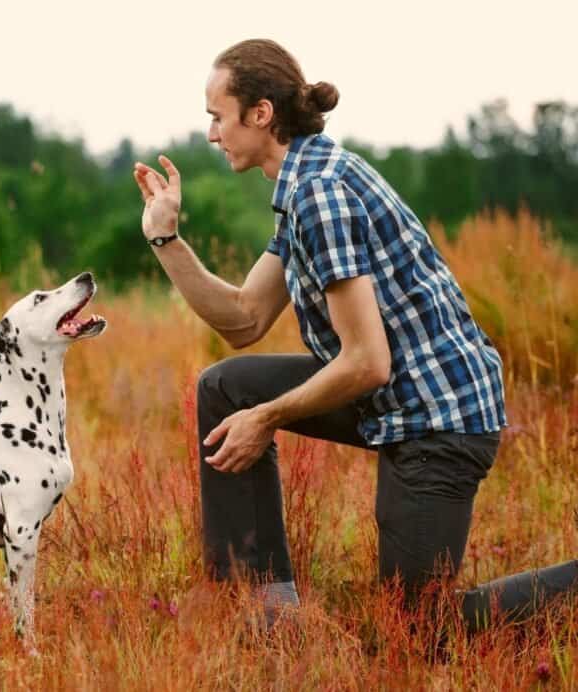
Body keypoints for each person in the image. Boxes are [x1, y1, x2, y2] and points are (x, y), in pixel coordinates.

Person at [132, 38, 578, 630]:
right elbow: (243, 319)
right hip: (396, 399)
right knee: (227, 388)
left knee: (419, 629)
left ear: (260, 114)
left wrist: (265, 418)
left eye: (218, 116)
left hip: (439, 419)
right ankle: (267, 614)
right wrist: (167, 241)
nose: (213, 133)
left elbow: (367, 362)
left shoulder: (320, 195)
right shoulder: (302, 186)